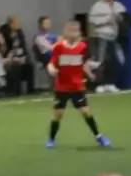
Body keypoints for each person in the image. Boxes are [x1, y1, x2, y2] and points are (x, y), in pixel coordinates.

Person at [45, 20, 110, 149]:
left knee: (86, 112)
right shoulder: (59, 47)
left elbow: (83, 63)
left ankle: (99, 137)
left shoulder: (82, 47)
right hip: (62, 87)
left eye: (76, 31)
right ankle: (51, 139)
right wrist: (51, 69)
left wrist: (90, 74)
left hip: (77, 87)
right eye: (71, 31)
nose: (74, 33)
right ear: (66, 32)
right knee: (58, 115)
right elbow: (51, 63)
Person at [89, 0, 128, 92]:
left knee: (117, 60)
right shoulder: (97, 6)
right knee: (102, 61)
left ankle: (111, 83)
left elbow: (125, 18)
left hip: (114, 37)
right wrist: (107, 20)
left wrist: (120, 18)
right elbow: (92, 21)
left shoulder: (118, 6)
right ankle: (101, 84)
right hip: (101, 36)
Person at [1, 15, 34, 96]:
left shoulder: (19, 31)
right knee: (16, 65)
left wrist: (24, 56)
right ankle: (16, 91)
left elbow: (23, 46)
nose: (18, 24)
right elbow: (6, 48)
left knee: (30, 65)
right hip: (8, 57)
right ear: (10, 24)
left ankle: (30, 90)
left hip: (19, 55)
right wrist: (13, 56)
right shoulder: (4, 31)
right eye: (16, 23)